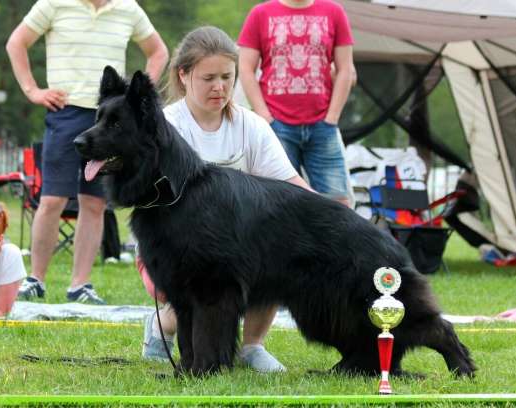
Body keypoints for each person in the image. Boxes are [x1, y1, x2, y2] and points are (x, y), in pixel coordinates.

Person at [139, 26, 311, 373]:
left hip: (238, 247)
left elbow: (291, 186)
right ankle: (162, 325)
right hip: (176, 251)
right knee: (203, 282)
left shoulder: (254, 126)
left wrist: (337, 219)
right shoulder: (164, 127)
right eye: (208, 78)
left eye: (227, 77)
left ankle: (252, 346)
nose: (219, 87)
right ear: (183, 75)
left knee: (277, 251)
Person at [6, 0, 168, 304]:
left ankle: (80, 285)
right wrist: (32, 90)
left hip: (110, 119)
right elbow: (17, 43)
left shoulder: (128, 8)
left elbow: (158, 51)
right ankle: (35, 279)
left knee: (94, 204)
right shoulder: (53, 3)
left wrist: (139, 96)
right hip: (64, 112)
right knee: (52, 199)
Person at [238, 0, 355, 207]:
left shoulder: (334, 12)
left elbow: (346, 69)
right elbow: (246, 69)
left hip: (323, 125)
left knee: (340, 204)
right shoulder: (260, 13)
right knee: (277, 203)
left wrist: (332, 117)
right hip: (276, 125)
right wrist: (264, 117)